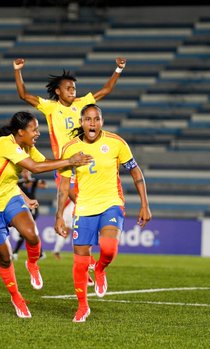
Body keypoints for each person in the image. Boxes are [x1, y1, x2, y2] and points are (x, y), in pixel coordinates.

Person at [0, 111, 92, 318]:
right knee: (4, 257)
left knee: (32, 234)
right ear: (20, 132)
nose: (37, 133)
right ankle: (16, 297)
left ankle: (32, 263)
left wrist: (69, 161)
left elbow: (44, 161)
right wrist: (70, 161)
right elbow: (35, 168)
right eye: (34, 129)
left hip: (11, 197)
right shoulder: (4, 144)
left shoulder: (27, 146)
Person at [13, 56, 126, 266]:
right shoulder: (50, 107)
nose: (72, 90)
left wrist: (118, 69)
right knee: (82, 205)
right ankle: (89, 259)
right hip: (66, 167)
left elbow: (105, 91)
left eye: (74, 87)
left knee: (89, 207)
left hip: (86, 165)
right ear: (58, 91)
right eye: (68, 87)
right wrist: (17, 70)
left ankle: (98, 247)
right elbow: (23, 95)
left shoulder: (83, 103)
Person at [54, 104, 152, 323]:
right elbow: (63, 185)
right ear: (81, 122)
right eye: (88, 119)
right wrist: (59, 215)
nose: (92, 123)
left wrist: (145, 204)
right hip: (84, 208)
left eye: (96, 119)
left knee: (108, 249)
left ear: (102, 121)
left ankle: (99, 268)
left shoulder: (116, 143)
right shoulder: (71, 149)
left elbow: (135, 171)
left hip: (111, 203)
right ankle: (82, 307)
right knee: (79, 263)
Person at [12, 168, 47, 260]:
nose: (25, 174)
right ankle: (41, 253)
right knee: (31, 231)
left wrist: (41, 182)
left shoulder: (34, 181)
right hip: (23, 207)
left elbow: (43, 186)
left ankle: (15, 252)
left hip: (32, 208)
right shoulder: (19, 182)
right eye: (23, 172)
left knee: (27, 230)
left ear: (30, 173)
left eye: (27, 172)